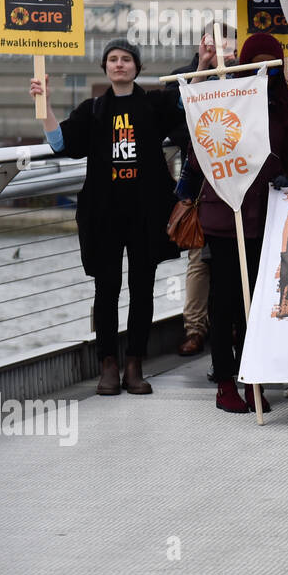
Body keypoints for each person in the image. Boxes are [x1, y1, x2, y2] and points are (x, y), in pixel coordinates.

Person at [30, 39, 182, 396]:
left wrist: (203, 63)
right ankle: (108, 365)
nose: (119, 64)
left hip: (145, 213)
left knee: (142, 289)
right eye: (112, 59)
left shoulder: (152, 104)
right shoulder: (94, 109)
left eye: (126, 59)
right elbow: (59, 143)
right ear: (105, 68)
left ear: (136, 67)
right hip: (104, 214)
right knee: (106, 289)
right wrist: (44, 103)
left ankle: (135, 363)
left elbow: (186, 100)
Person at [181, 34, 288, 414]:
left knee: (258, 304)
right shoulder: (224, 96)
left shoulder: (285, 104)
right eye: (257, 62)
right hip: (226, 213)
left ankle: (253, 377)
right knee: (226, 301)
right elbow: (200, 149)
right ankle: (225, 381)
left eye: (271, 63)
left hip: (266, 215)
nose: (264, 70)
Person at [168, 22, 237, 358]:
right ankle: (195, 328)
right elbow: (180, 126)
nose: (221, 49)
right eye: (215, 42)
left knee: (238, 259)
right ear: (202, 43)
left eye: (228, 44)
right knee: (199, 259)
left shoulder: (244, 75)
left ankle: (235, 326)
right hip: (200, 180)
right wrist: (202, 71)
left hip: (238, 177)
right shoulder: (183, 75)